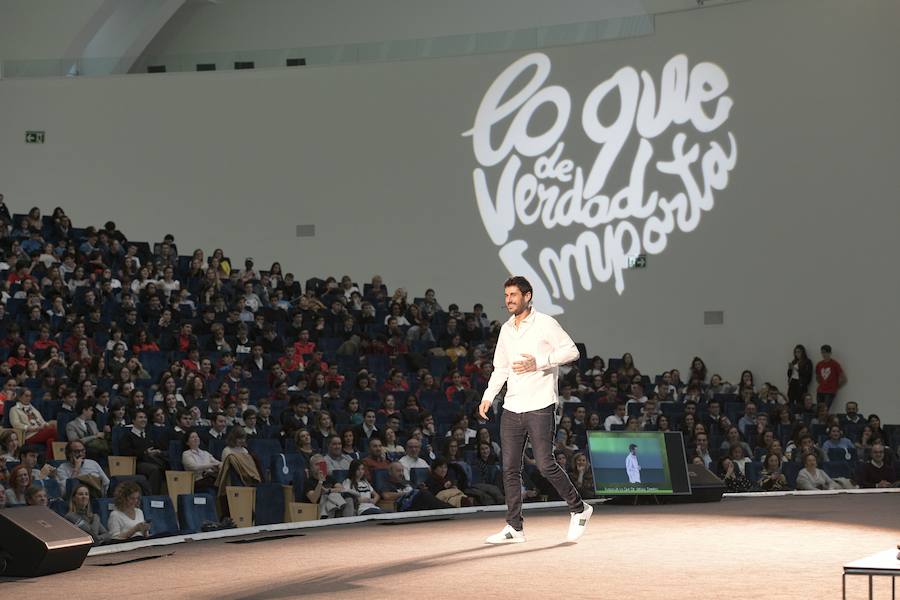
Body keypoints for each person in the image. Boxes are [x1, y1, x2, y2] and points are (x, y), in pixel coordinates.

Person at [479, 276, 590, 545]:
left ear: (527, 296)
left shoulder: (545, 323)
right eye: (506, 295)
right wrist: (488, 396)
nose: (508, 300)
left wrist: (540, 362)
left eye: (513, 295)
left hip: (540, 405)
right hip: (512, 406)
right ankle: (514, 527)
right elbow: (501, 368)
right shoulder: (506, 329)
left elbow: (571, 351)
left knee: (544, 464)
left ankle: (579, 508)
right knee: (510, 469)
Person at [376, 461, 452, 512]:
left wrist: (419, 488)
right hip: (404, 505)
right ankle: (448, 509)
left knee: (425, 492)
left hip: (417, 502)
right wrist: (407, 493)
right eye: (398, 471)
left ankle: (448, 508)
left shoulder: (406, 482)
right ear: (390, 472)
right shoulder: (387, 483)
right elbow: (386, 496)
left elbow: (415, 490)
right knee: (424, 494)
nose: (401, 473)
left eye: (402, 471)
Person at [302, 454, 353, 519]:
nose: (320, 466)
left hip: (335, 506)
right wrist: (320, 482)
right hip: (318, 509)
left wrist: (328, 490)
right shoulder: (308, 482)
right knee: (327, 496)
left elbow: (341, 488)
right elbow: (314, 499)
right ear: (311, 468)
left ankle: (348, 521)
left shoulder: (329, 478)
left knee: (347, 497)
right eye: (317, 464)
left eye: (322, 464)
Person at [8, 387, 57, 453]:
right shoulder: (14, 409)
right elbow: (16, 424)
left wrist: (48, 424)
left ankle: (48, 460)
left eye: (30, 396)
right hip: (28, 434)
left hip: (40, 431)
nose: (28, 398)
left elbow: (42, 421)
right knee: (52, 431)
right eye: (26, 396)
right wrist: (30, 428)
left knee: (51, 440)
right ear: (19, 397)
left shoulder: (33, 408)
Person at [814, 344, 846, 409]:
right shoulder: (819, 364)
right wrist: (821, 383)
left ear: (830, 353)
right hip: (820, 391)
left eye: (826, 352)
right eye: (822, 352)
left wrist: (836, 387)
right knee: (819, 409)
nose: (824, 354)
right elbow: (817, 376)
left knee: (825, 409)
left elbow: (844, 378)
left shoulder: (834, 364)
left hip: (830, 392)